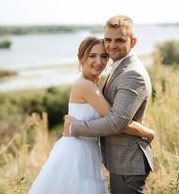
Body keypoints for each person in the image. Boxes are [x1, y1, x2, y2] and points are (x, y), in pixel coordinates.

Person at [29, 36, 154, 194]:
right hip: (78, 152)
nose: (99, 62)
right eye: (92, 56)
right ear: (81, 58)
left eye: (103, 56)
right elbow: (116, 121)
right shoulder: (86, 86)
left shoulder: (92, 82)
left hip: (86, 148)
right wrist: (147, 132)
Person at [63, 15, 154, 194]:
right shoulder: (118, 66)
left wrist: (74, 128)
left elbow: (115, 122)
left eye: (120, 40)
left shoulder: (132, 74)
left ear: (133, 41)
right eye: (108, 40)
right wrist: (145, 131)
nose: (112, 45)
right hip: (119, 159)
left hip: (128, 160)